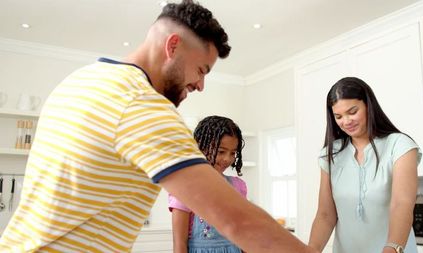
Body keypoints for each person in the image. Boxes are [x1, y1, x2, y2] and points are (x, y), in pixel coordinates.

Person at [0, 1, 319, 253]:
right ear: (173, 46)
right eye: (201, 69)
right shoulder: (141, 105)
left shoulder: (81, 80)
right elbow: (238, 220)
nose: (200, 84)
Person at [308, 77, 421, 253]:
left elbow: (402, 204)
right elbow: (325, 214)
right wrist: (311, 250)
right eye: (338, 116)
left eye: (352, 112)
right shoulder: (330, 154)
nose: (346, 121)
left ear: (368, 105)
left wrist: (392, 248)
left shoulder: (399, 145)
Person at [169, 115, 247, 253]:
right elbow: (179, 242)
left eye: (233, 153)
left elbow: (244, 235)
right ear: (201, 146)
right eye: (221, 151)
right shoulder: (185, 186)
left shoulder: (238, 186)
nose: (227, 159)